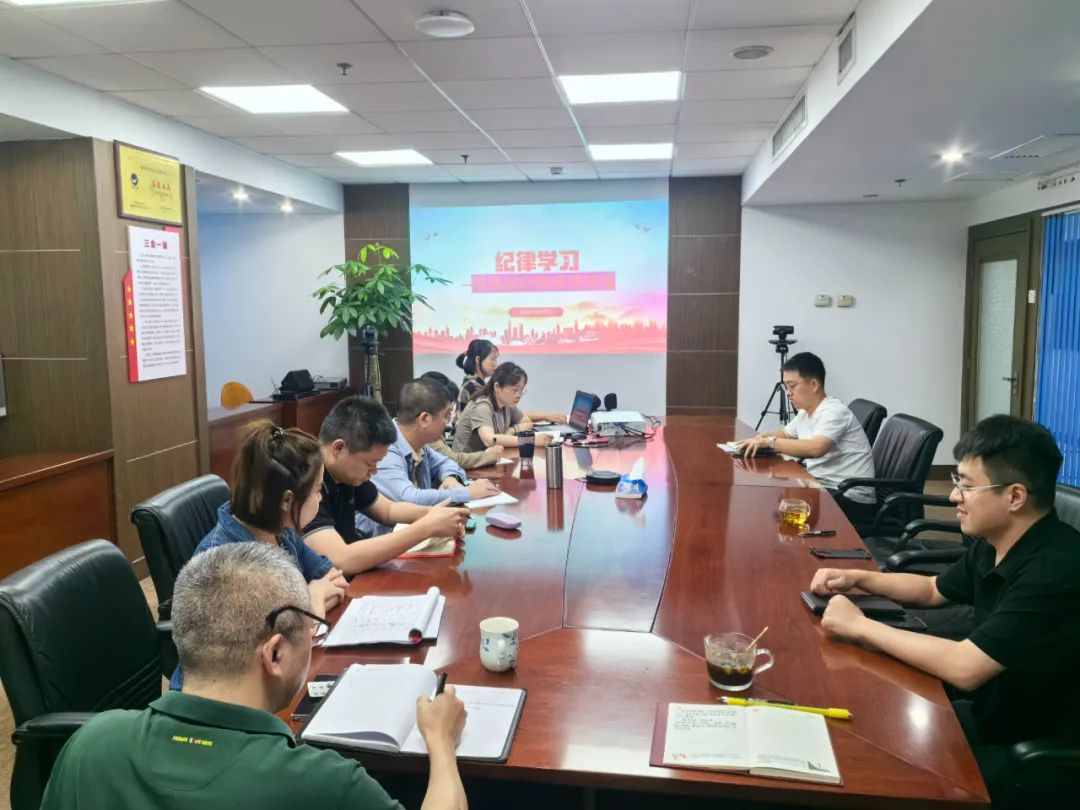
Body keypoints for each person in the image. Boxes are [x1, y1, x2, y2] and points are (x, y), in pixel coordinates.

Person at [42, 544, 468, 810]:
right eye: (311, 629)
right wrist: (441, 743)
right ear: (276, 653)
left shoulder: (89, 746)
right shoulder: (325, 783)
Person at [810, 415, 1080, 788]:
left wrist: (860, 626)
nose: (953, 496)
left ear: (1015, 496)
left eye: (966, 486)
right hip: (991, 711)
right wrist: (860, 579)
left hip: (1030, 755)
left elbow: (966, 666)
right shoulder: (997, 542)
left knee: (865, 770)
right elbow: (932, 589)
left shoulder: (1054, 569)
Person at [168, 421, 348, 691]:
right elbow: (275, 644)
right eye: (316, 490)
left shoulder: (281, 533)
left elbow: (334, 580)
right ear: (287, 501)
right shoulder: (226, 565)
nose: (321, 498)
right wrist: (312, 600)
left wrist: (314, 598)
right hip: (221, 693)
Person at [302, 395, 470, 575]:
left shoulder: (345, 473)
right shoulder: (306, 480)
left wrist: (435, 514)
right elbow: (340, 560)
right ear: (339, 448)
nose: (374, 472)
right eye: (370, 463)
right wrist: (426, 527)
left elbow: (388, 510)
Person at [738, 352, 875, 517]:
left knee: (770, 506)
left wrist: (770, 442)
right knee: (767, 499)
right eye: (786, 387)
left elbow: (815, 448)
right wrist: (760, 438)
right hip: (822, 486)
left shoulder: (833, 411)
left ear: (813, 385)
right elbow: (785, 433)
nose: (788, 393)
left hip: (849, 497)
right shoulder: (805, 412)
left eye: (792, 386)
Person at [359, 378, 500, 536]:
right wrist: (468, 493)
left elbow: (447, 463)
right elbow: (408, 498)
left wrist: (450, 479)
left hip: (413, 532)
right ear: (425, 419)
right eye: (446, 415)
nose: (447, 423)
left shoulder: (418, 442)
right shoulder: (386, 447)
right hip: (380, 540)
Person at [455, 340, 567, 425]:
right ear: (478, 360)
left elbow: (511, 413)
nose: (496, 364)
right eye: (492, 359)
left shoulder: (478, 383)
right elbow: (511, 415)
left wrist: (545, 417)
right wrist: (546, 417)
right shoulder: (473, 387)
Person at [453, 362, 554, 454]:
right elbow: (489, 440)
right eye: (514, 390)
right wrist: (530, 441)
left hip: (489, 459)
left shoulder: (506, 404)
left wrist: (511, 430)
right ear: (497, 387)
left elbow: (527, 422)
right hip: (466, 464)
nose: (518, 395)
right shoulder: (482, 406)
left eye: (521, 391)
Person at [420, 370, 505, 469]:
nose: (448, 418)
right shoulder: (425, 429)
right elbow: (451, 460)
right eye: (447, 412)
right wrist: (487, 456)